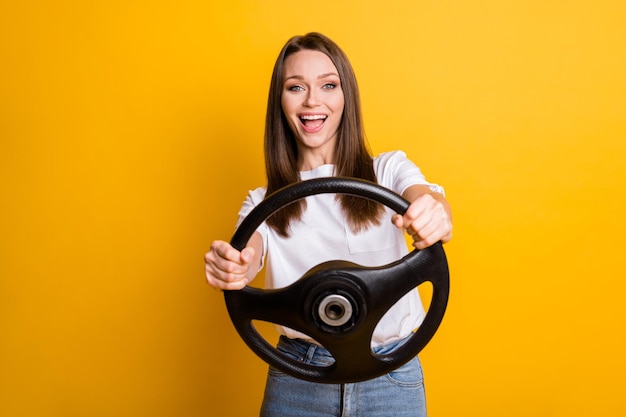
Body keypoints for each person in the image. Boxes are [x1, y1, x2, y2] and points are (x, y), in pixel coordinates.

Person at [205, 32, 452, 417]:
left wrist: (433, 213)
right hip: (297, 378)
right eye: (295, 87)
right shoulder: (262, 203)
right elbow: (248, 253)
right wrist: (235, 265)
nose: (312, 101)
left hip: (391, 376)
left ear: (345, 96)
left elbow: (427, 200)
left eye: (328, 85)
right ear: (280, 102)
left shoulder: (387, 171)